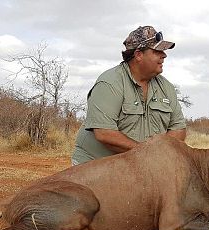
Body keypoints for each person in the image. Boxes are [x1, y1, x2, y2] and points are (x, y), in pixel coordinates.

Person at [72, 25, 186, 165]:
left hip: (139, 166)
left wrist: (158, 154)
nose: (164, 55)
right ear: (138, 54)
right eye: (157, 51)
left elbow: (178, 129)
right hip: (96, 166)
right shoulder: (110, 82)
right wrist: (150, 153)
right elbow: (104, 134)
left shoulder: (166, 88)